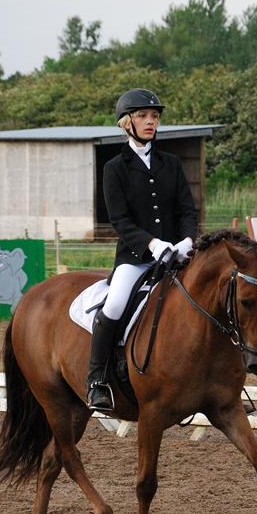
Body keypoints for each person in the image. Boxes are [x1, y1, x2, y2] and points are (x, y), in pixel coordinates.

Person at [86, 88, 199, 411]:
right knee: (117, 302)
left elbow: (186, 210)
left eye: (155, 117)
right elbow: (120, 220)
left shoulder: (171, 163)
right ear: (126, 123)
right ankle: (96, 379)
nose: (151, 122)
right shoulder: (114, 168)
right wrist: (152, 244)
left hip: (176, 256)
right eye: (143, 116)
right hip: (135, 259)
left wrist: (187, 240)